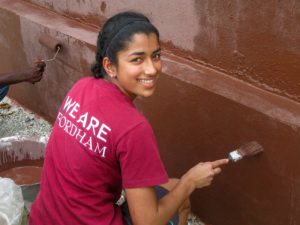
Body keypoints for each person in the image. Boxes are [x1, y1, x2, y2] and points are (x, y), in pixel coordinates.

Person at [29, 11, 228, 225]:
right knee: (182, 198)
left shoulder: (81, 87)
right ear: (110, 66)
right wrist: (190, 182)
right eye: (137, 59)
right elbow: (147, 222)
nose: (151, 69)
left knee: (172, 186)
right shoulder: (133, 128)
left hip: (43, 218)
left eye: (156, 56)